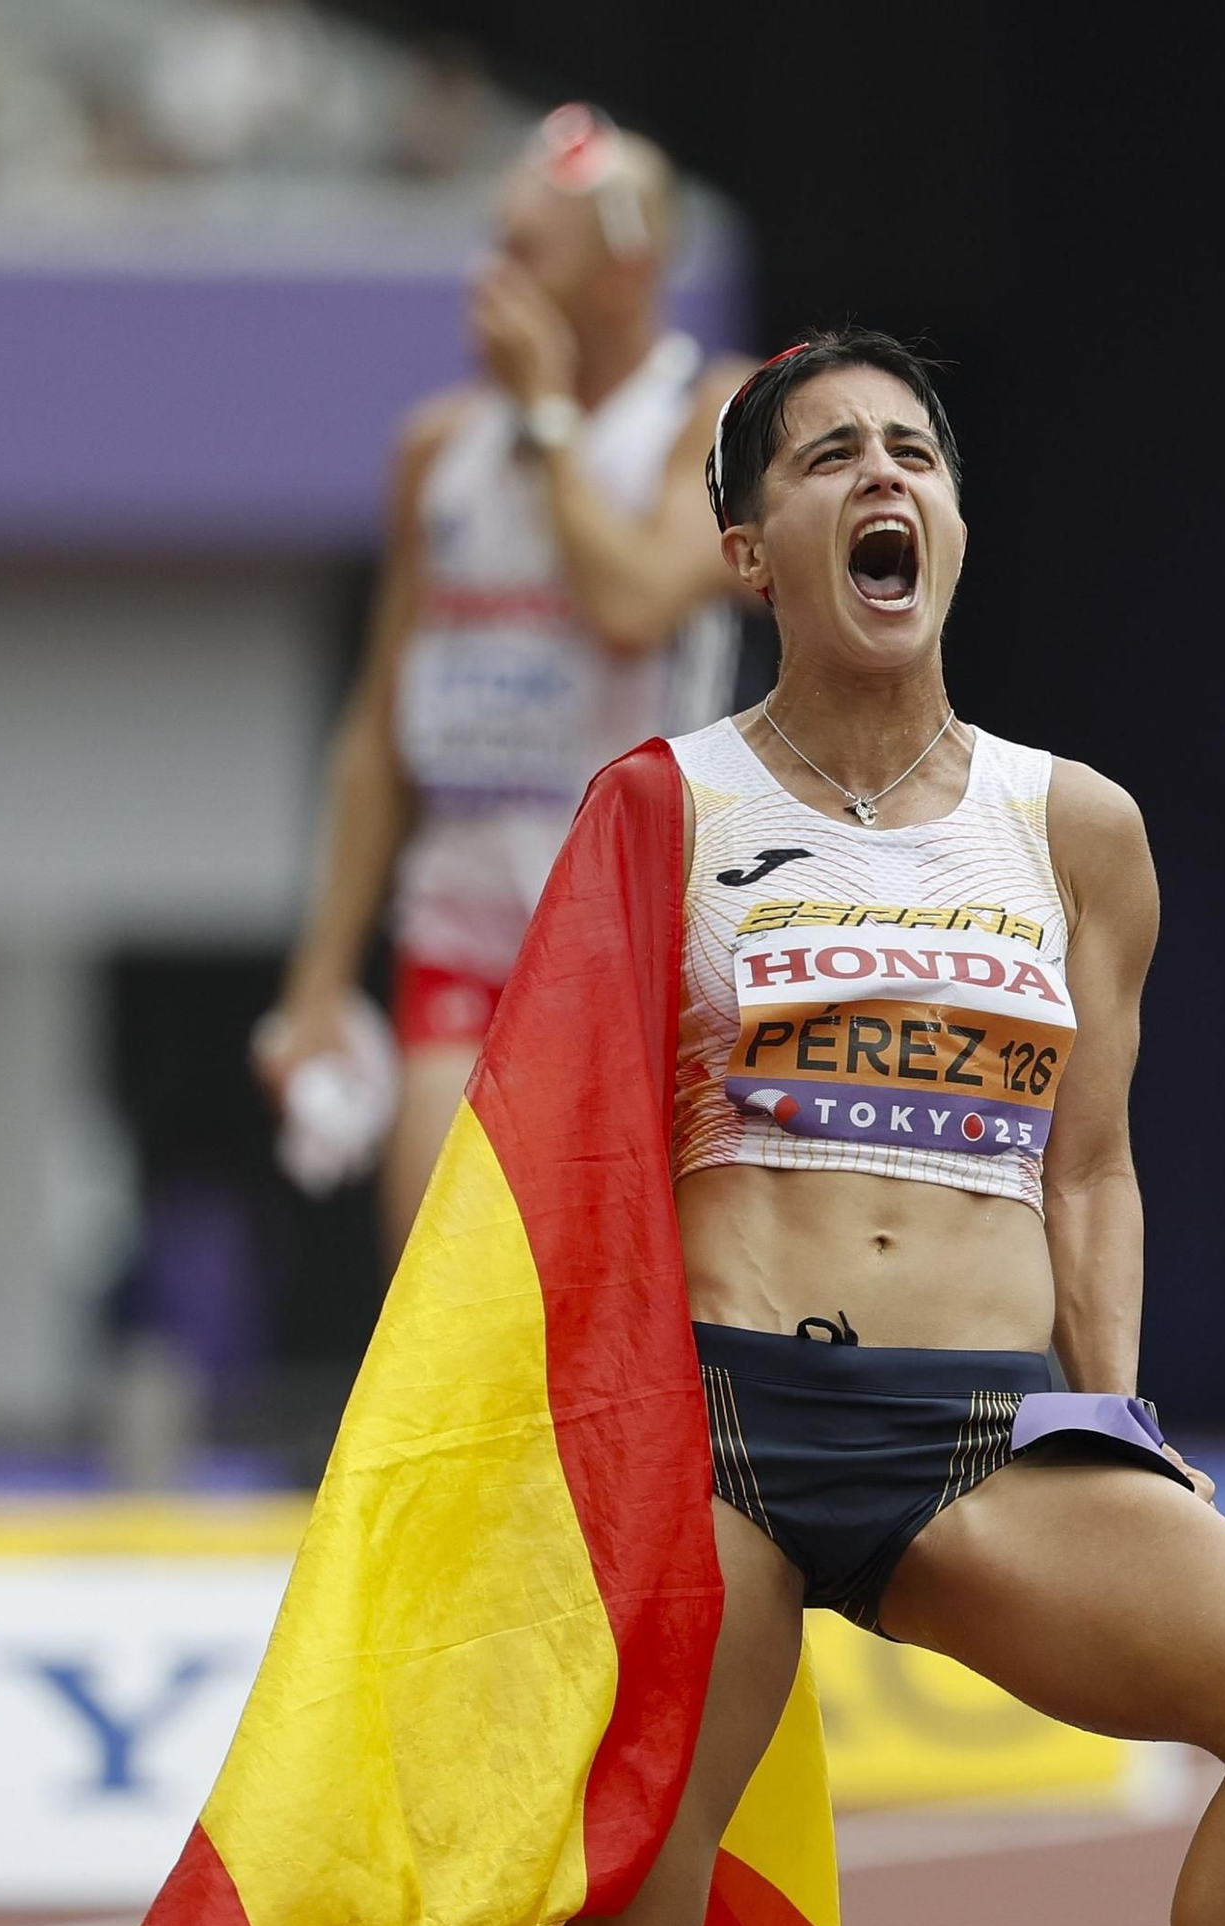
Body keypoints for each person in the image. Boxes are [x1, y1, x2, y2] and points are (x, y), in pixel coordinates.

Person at [501, 329, 1225, 1926]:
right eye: (823, 459)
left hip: (979, 1438)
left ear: (952, 528)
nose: (875, 480)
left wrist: (1121, 1410)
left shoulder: (1073, 829)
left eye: (909, 453)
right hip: (725, 1438)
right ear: (749, 548)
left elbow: (1089, 1169)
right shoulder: (664, 809)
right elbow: (558, 1176)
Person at [254, 103, 752, 1255]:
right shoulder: (438, 448)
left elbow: (632, 604)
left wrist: (545, 417)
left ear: (624, 273)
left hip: (634, 946)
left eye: (526, 251)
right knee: (439, 1302)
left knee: (620, 1326)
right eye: (492, 241)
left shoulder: (708, 417)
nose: (488, 279)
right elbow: (378, 729)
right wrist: (319, 987)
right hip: (465, 930)